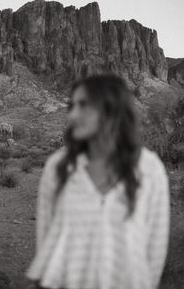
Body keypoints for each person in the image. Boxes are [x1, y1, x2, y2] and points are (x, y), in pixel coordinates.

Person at [25, 73, 170, 289]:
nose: (73, 115)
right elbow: (45, 239)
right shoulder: (58, 167)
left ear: (111, 110)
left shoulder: (150, 169)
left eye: (83, 105)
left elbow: (155, 250)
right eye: (71, 105)